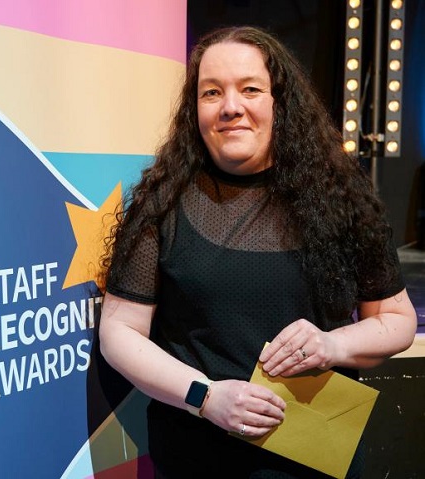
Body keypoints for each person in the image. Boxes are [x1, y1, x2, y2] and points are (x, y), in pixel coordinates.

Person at [98, 26, 417, 478]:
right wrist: (204, 397)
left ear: (279, 102)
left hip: (318, 454)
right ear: (195, 110)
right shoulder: (161, 203)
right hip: (198, 457)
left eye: (250, 89)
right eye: (212, 92)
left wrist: (332, 344)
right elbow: (119, 331)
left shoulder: (342, 198)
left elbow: (396, 320)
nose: (231, 107)